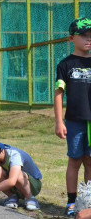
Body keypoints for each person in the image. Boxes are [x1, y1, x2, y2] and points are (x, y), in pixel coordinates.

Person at [54, 17, 91, 217]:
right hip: (75, 121)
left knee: (90, 161)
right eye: (84, 35)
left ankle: (87, 202)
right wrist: (59, 121)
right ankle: (71, 201)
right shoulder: (65, 65)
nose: (89, 38)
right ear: (71, 38)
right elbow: (59, 93)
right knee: (75, 161)